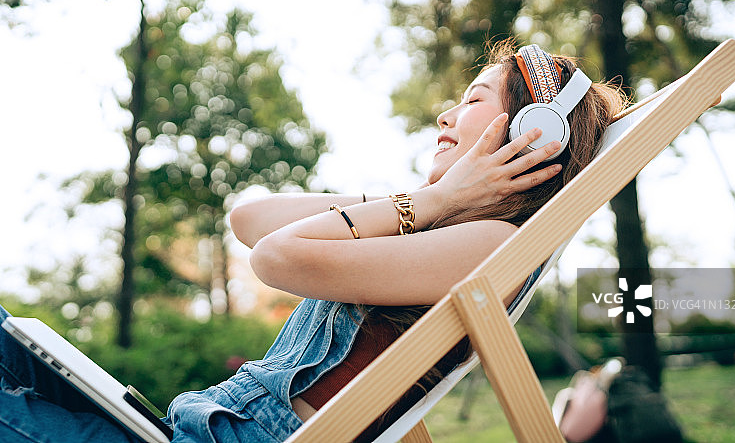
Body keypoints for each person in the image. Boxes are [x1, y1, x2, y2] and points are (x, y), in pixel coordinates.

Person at [0, 40, 625, 442]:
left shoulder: (488, 243)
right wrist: (429, 202)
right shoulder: (441, 226)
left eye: (472, 99)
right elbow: (251, 219)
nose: (444, 116)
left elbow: (272, 259)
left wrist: (431, 202)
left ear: (531, 134)